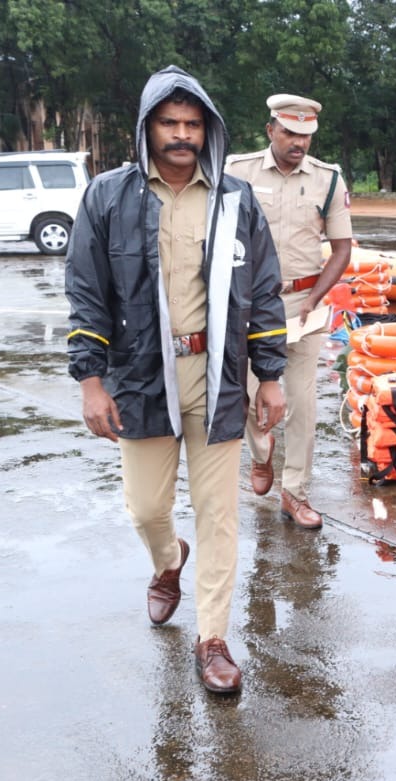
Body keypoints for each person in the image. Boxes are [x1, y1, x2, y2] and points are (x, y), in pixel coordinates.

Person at [65, 66, 287, 694]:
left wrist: (268, 375)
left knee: (220, 514)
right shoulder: (108, 196)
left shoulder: (235, 199)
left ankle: (212, 637)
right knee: (146, 508)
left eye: (193, 124)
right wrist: (90, 381)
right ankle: (168, 561)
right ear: (148, 127)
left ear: (208, 129)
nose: (182, 135)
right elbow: (85, 291)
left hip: (214, 375)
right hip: (138, 375)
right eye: (170, 123)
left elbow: (263, 290)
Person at [226, 94, 353, 530]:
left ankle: (295, 493)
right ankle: (261, 456)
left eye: (306, 135)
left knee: (301, 403)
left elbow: (341, 249)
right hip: (247, 304)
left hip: (302, 305)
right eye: (291, 133)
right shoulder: (235, 171)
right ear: (271, 130)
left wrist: (317, 298)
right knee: (248, 396)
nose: (299, 142)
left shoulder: (328, 179)